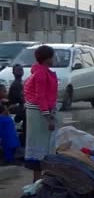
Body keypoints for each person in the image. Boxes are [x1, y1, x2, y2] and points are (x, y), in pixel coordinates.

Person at [24, 45, 59, 182]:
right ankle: (39, 182)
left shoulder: (41, 71)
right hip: (39, 114)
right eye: (52, 56)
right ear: (47, 59)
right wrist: (48, 117)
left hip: (39, 112)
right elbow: (40, 97)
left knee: (43, 146)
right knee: (40, 147)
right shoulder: (41, 74)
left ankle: (41, 181)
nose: (54, 59)